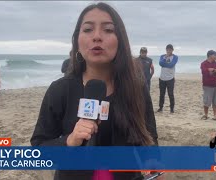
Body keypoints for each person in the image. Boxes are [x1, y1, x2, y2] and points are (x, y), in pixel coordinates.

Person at [30, 3, 160, 180]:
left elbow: (149, 137)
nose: (97, 37)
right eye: (88, 29)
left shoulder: (136, 87)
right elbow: (39, 149)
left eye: (108, 30)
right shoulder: (60, 90)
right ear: (77, 40)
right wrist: (70, 140)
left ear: (120, 40)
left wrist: (153, 164)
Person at [200, 50, 216, 120]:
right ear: (210, 56)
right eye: (215, 55)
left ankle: (215, 116)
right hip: (207, 85)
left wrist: (213, 70)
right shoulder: (204, 63)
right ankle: (205, 115)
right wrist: (214, 70)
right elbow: (204, 71)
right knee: (207, 100)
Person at [157, 44, 178, 113]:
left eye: (170, 49)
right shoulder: (162, 56)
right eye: (167, 49)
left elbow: (171, 65)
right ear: (166, 50)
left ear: (172, 50)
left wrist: (164, 64)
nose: (169, 51)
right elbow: (160, 63)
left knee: (170, 94)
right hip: (162, 78)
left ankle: (172, 108)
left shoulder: (175, 57)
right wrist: (165, 57)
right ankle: (160, 108)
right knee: (161, 94)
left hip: (170, 79)